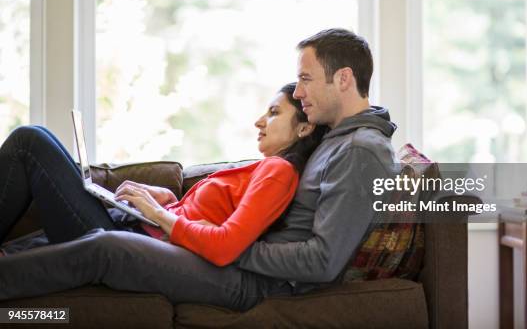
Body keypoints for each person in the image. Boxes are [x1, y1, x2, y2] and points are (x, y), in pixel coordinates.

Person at [0, 28, 397, 311]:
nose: (299, 91)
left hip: (252, 281)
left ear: (343, 79)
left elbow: (322, 262)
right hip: (231, 259)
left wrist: (225, 247)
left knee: (107, 245)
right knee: (38, 150)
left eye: (305, 79)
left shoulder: (360, 150)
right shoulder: (335, 137)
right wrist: (183, 217)